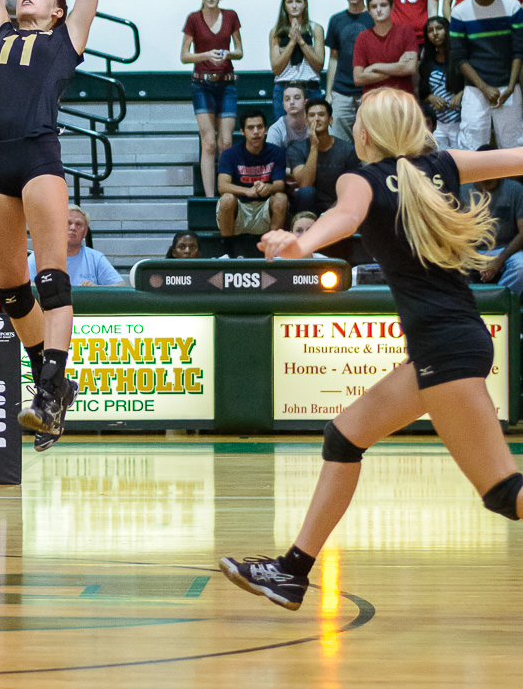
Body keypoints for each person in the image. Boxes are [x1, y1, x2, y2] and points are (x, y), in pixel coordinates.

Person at [220, 87, 523, 612]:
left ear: (367, 133)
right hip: (449, 342)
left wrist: (299, 243)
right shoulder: (442, 165)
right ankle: (292, 572)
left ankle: (292, 569)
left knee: (505, 493)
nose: (353, 128)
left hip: (445, 350)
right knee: (344, 435)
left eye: (357, 120)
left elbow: (346, 217)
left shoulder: (358, 178)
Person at [0, 0, 132, 451]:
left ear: (58, 10)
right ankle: (55, 384)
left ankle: (47, 386)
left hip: (38, 155)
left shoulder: (66, 40)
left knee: (50, 276)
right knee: (11, 289)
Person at [179, 0, 243, 197]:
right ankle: (209, 197)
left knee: (225, 142)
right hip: (202, 84)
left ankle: (226, 192)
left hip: (226, 84)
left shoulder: (231, 16)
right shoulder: (194, 19)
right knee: (208, 143)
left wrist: (226, 53)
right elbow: (184, 56)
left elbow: (239, 51)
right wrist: (206, 54)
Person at [450, 0, 523, 151]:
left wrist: (510, 86)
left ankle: (513, 183)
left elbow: (519, 51)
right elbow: (459, 58)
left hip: (508, 86)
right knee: (473, 143)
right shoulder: (460, 12)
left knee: (513, 142)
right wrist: (484, 88)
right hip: (475, 88)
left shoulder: (513, 7)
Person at [216, 109, 288, 241]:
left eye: (260, 127)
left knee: (280, 198)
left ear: (266, 129)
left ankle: (274, 249)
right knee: (226, 199)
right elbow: (222, 186)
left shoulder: (276, 152)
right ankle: (226, 251)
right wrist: (247, 191)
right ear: (242, 131)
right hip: (240, 209)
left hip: (264, 208)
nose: (256, 132)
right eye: (250, 128)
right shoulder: (230, 154)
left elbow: (280, 184)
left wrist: (268, 188)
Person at [461, 154, 523, 296]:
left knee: (521, 268)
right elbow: (456, 231)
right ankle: (471, 303)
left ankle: (500, 299)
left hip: (505, 249)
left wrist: (500, 259)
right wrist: (476, 258)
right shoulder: (462, 190)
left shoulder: (515, 189)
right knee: (448, 266)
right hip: (471, 249)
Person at [287, 98, 360, 214]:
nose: (316, 119)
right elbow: (305, 183)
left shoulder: (347, 150)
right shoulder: (296, 148)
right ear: (306, 121)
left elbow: (351, 189)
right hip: (306, 208)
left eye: (321, 114)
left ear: (330, 120)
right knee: (307, 192)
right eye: (312, 115)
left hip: (338, 207)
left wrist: (331, 214)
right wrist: (314, 147)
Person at [325, 0, 372, 142]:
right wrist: (329, 93)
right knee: (340, 144)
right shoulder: (336, 20)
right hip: (341, 92)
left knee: (368, 141)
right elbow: (333, 58)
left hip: (367, 91)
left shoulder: (374, 18)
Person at [28, 204, 125, 286]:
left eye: (78, 224)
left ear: (85, 232)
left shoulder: (95, 258)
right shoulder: (39, 257)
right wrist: (45, 288)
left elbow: (121, 286)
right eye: (68, 223)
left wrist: (96, 289)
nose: (73, 227)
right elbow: (23, 285)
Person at [268, 0, 324, 119]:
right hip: (284, 88)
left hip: (310, 88)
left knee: (313, 135)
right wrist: (292, 42)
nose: (294, 6)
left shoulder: (316, 29)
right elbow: (276, 68)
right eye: (290, 2)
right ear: (284, 5)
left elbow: (319, 64)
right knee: (285, 136)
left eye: (298, 1)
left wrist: (301, 41)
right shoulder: (276, 32)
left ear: (305, 4)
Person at [352, 0, 418, 95]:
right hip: (374, 100)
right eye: (374, 6)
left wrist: (375, 67)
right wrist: (398, 67)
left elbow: (410, 68)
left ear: (392, 7)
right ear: (369, 11)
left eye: (383, 5)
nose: (378, 10)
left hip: (402, 98)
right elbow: (358, 78)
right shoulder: (363, 37)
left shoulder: (406, 31)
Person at [419, 16, 462, 149]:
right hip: (439, 124)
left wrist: (460, 95)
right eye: (430, 30)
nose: (435, 33)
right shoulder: (426, 61)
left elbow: (471, 84)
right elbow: (423, 94)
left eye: (439, 28)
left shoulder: (458, 56)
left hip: (461, 121)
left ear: (447, 30)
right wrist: (431, 98)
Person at [266, 83, 309, 149]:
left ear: (305, 102)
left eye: (297, 98)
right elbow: (271, 157)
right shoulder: (276, 129)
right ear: (283, 104)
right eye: (287, 99)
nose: (291, 102)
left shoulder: (318, 124)